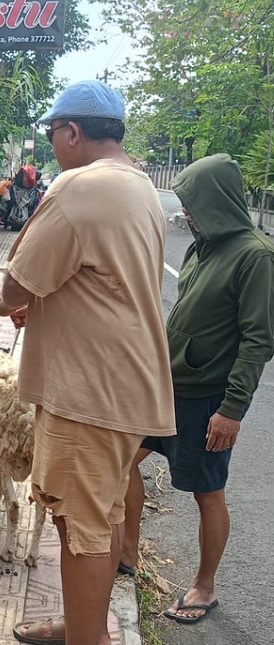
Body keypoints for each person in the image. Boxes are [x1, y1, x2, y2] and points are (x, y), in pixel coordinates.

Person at [0, 80, 176, 645]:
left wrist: (7, 303)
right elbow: (97, 280)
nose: (50, 145)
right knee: (104, 510)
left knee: (81, 528)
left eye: (52, 134)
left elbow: (16, 286)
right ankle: (84, 625)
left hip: (89, 393)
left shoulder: (78, 188)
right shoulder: (138, 185)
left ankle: (85, 639)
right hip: (125, 384)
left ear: (73, 131)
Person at [122, 154, 274, 624]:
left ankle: (204, 587)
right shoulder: (202, 246)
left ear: (217, 200)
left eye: (193, 201)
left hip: (208, 397)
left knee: (208, 493)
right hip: (166, 386)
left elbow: (258, 338)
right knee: (123, 460)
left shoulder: (255, 256)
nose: (185, 211)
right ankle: (126, 553)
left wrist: (232, 409)